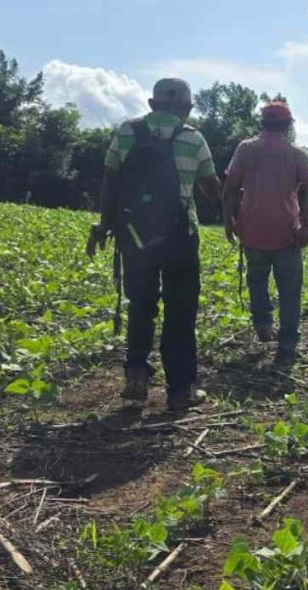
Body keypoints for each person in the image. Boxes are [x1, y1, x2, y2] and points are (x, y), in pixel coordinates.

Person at [86, 78, 221, 410]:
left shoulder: (127, 133)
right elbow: (212, 191)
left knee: (141, 305)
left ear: (151, 104)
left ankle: (136, 374)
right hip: (180, 238)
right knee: (180, 311)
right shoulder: (193, 138)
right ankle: (180, 390)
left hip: (134, 236)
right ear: (187, 109)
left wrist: (105, 223)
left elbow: (110, 179)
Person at [222, 100, 308, 367]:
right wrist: (306, 226)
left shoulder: (245, 149)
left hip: (251, 230)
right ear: (288, 126)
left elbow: (230, 187)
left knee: (256, 279)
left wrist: (229, 220)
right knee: (289, 290)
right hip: (287, 233)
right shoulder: (297, 154)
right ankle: (287, 344)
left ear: (262, 123)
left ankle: (263, 322)